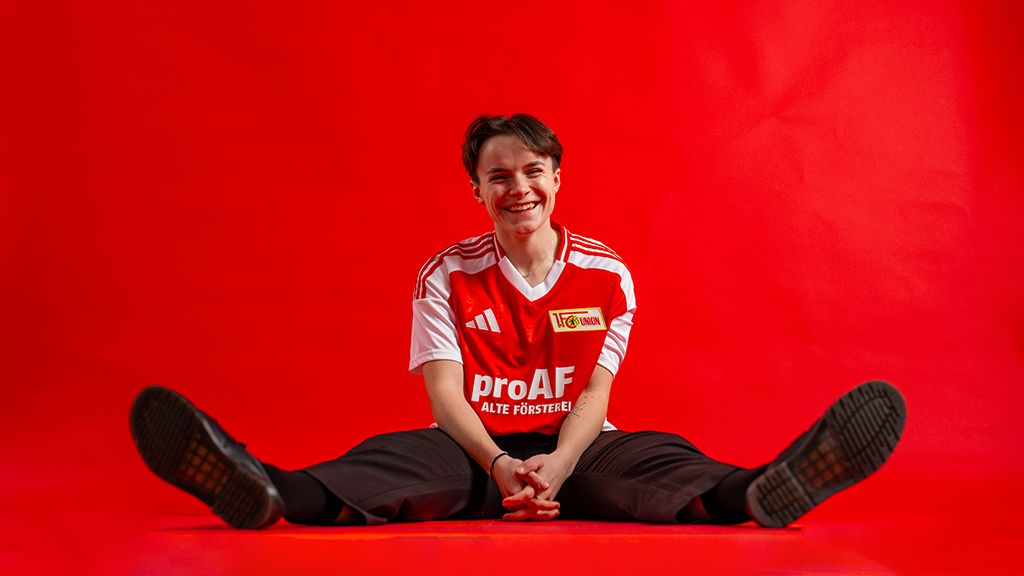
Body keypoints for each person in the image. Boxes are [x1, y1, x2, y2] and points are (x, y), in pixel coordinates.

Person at [130, 114, 907, 529]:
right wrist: (503, 469)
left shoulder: (608, 274)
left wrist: (560, 466)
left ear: (558, 178)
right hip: (475, 456)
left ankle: (766, 487)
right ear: (476, 190)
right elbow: (445, 398)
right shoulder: (447, 274)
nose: (519, 187)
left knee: (663, 461)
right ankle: (262, 487)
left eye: (533, 171)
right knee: (389, 465)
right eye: (498, 176)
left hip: (578, 448)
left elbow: (597, 393)